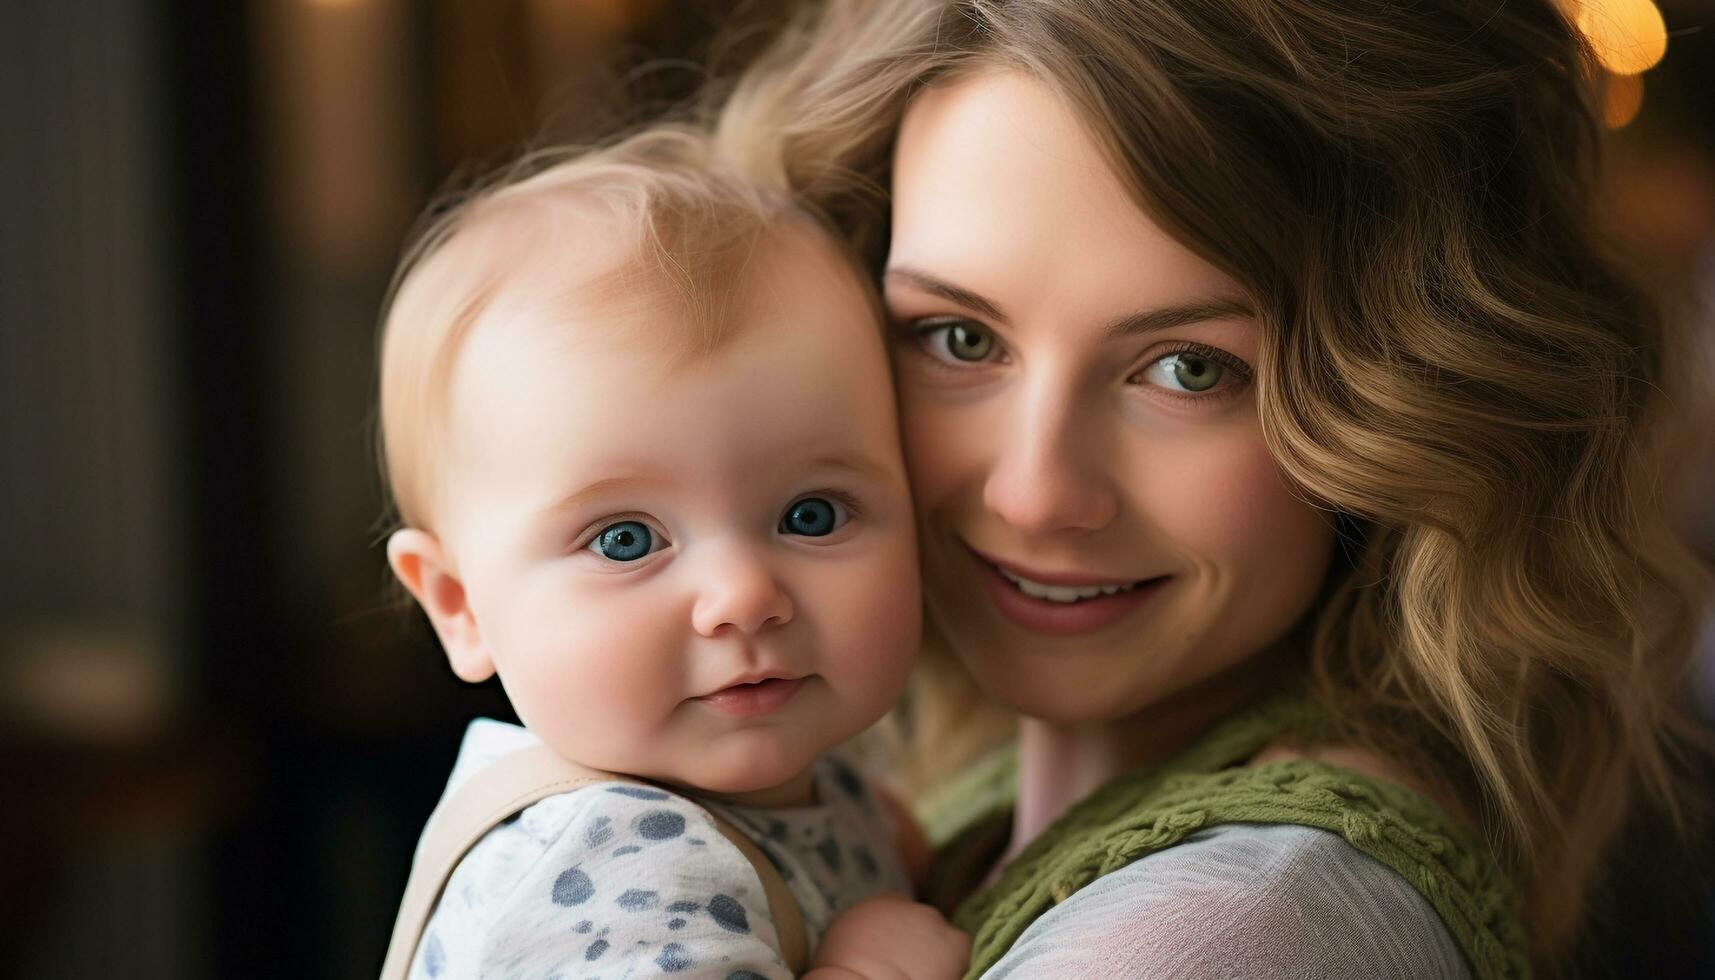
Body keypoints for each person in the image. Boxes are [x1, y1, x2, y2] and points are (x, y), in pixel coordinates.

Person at [702, 0, 1715, 976]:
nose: (1031, 492)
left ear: (1400, 402)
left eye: (1188, 367)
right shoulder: (967, 795)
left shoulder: (1224, 932)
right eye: (957, 338)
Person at [374, 127, 968, 979]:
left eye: (809, 514)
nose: (743, 596)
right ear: (460, 606)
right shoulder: (615, 857)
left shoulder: (797, 787)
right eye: (626, 541)